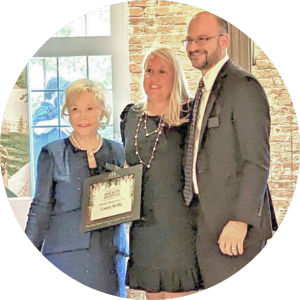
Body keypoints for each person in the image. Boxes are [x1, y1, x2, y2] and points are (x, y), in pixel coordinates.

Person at [182, 11, 278, 289]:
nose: (193, 46)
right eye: (189, 39)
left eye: (202, 38)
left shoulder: (243, 87)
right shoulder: (203, 89)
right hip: (206, 224)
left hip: (235, 230)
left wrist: (241, 221)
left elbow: (257, 162)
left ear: (224, 41)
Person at [25, 79, 128, 296]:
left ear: (102, 112)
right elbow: (40, 209)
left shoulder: (119, 152)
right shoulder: (51, 153)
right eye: (75, 109)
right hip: (64, 257)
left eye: (90, 108)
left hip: (109, 259)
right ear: (67, 113)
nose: (82, 116)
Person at [120, 48, 202, 300]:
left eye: (162, 71)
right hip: (145, 227)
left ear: (175, 75)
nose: (153, 77)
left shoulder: (191, 113)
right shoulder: (130, 116)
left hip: (182, 225)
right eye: (149, 70)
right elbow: (127, 168)